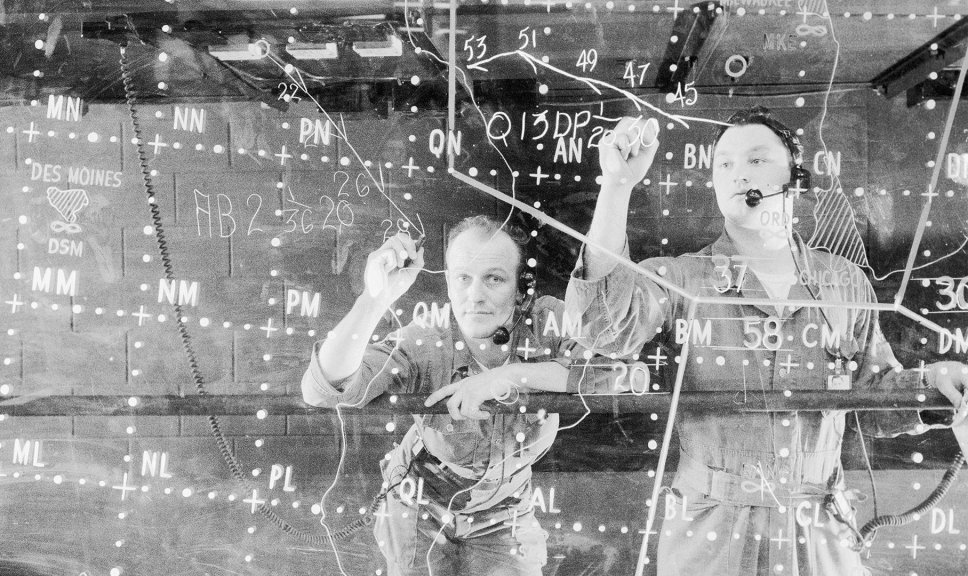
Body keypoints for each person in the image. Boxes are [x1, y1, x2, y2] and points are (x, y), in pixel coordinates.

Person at [565, 107, 968, 575]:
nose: (738, 174)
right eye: (725, 164)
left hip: (819, 527)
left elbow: (873, 401)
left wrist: (931, 384)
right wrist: (617, 185)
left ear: (796, 176)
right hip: (712, 528)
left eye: (756, 160)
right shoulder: (683, 279)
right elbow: (602, 326)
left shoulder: (843, 282)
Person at [302, 215, 585, 576]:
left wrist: (506, 377)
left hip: (506, 508)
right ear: (449, 283)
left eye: (494, 278)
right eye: (463, 278)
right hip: (419, 503)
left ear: (520, 287)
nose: (475, 295)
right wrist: (374, 299)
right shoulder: (426, 339)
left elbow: (616, 374)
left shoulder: (547, 324)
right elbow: (322, 389)